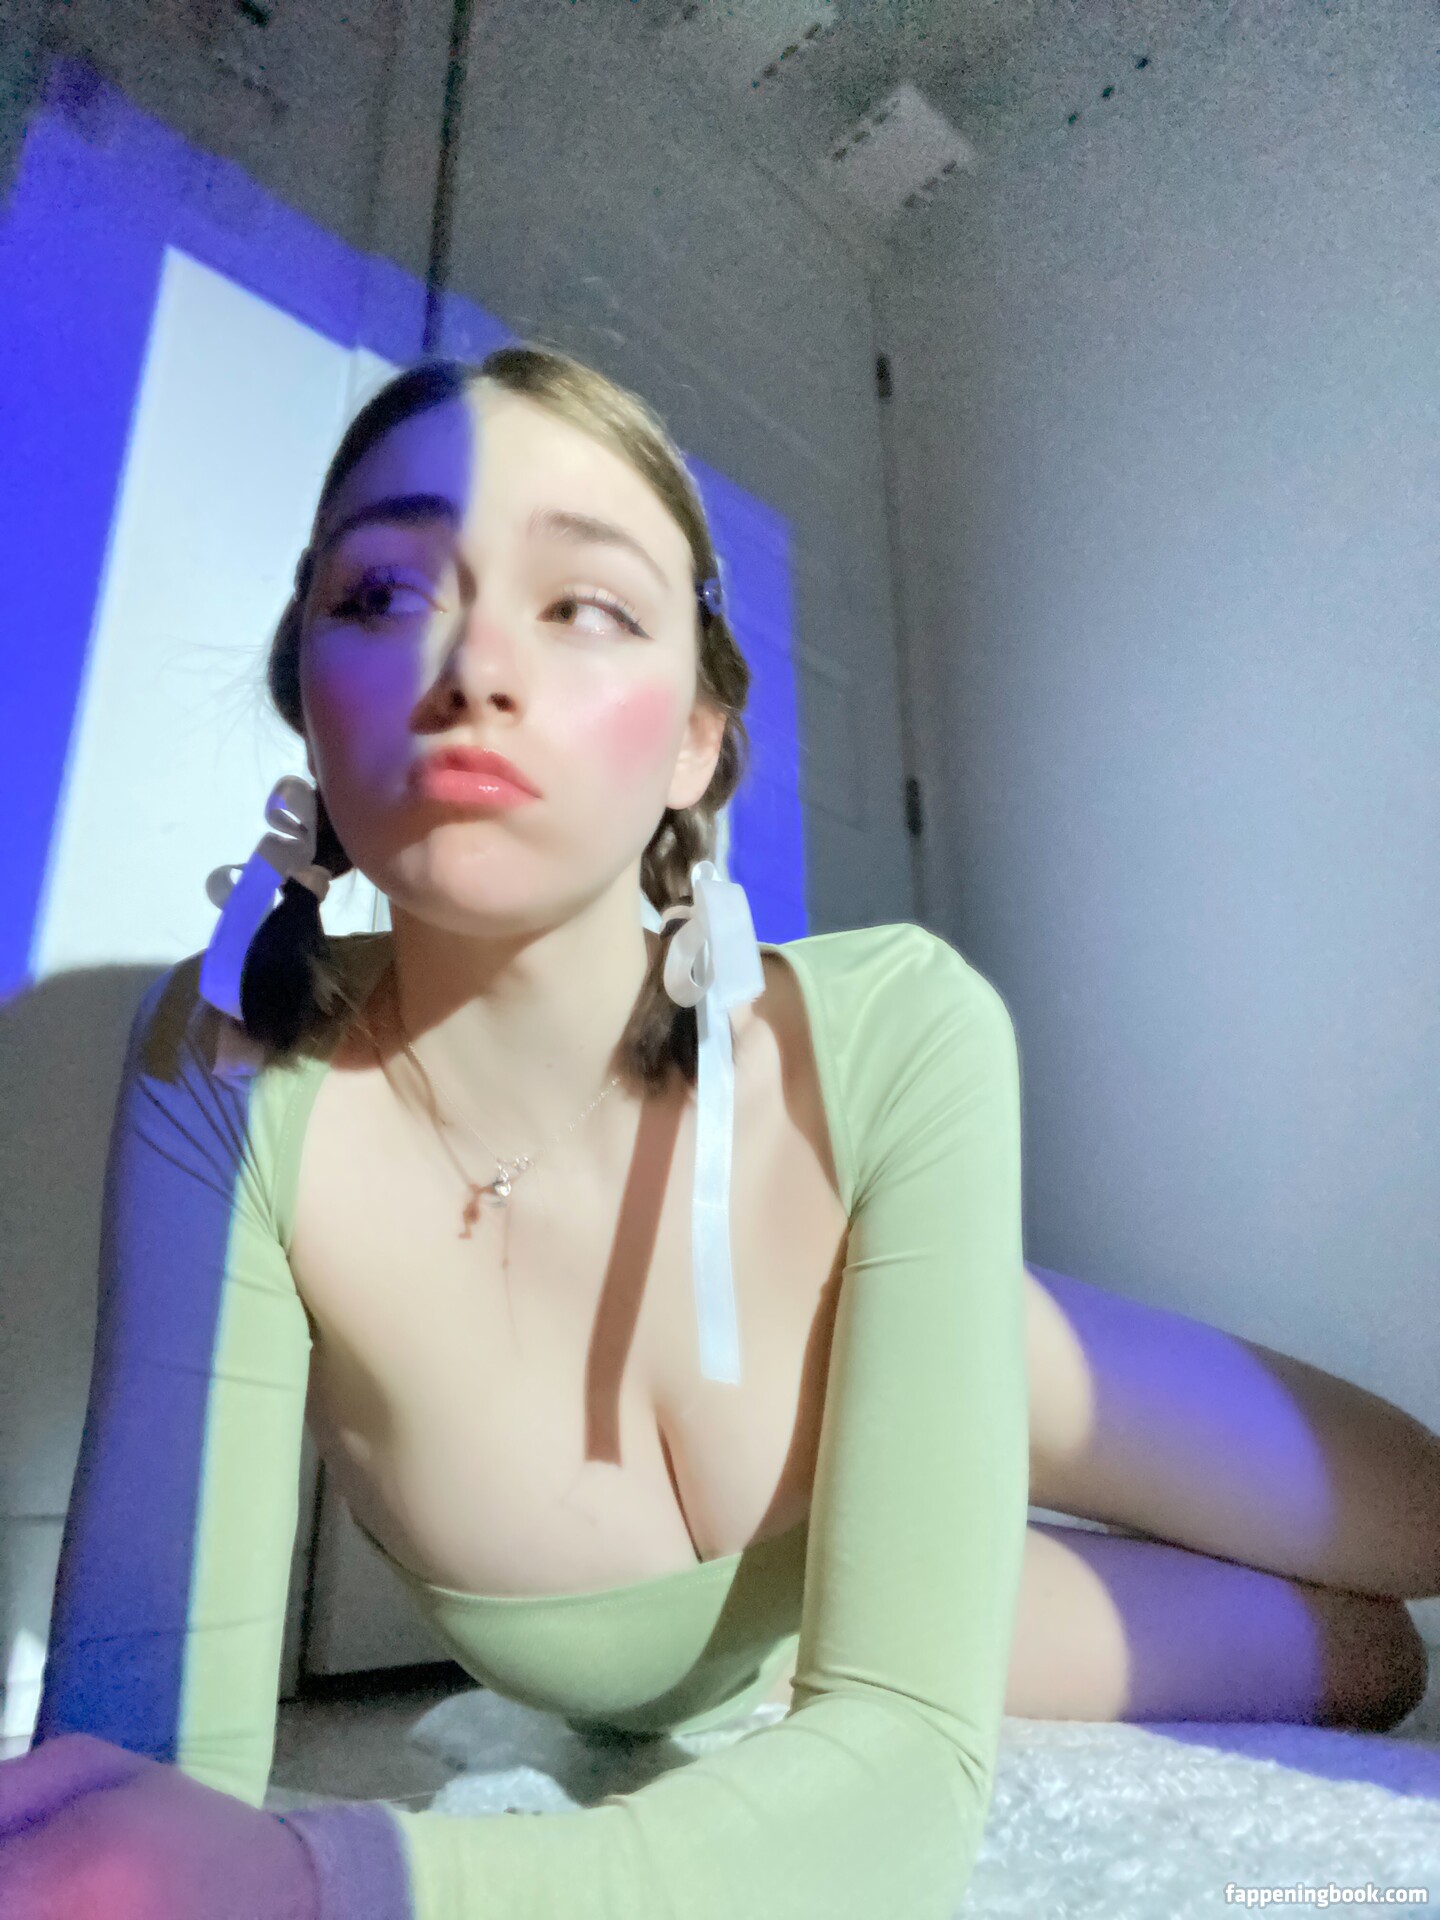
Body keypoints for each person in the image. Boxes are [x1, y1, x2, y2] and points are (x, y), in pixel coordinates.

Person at [3, 347, 1435, 1920]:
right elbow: (137, 1783)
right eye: (384, 594)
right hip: (785, 1639)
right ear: (310, 708)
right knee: (1369, 1663)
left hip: (972, 1354)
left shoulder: (895, 1028)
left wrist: (329, 1875)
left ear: (696, 735)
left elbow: (906, 1804)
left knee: (1422, 1519)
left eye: (585, 604)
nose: (474, 665)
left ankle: (948, 1368)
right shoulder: (225, 1070)